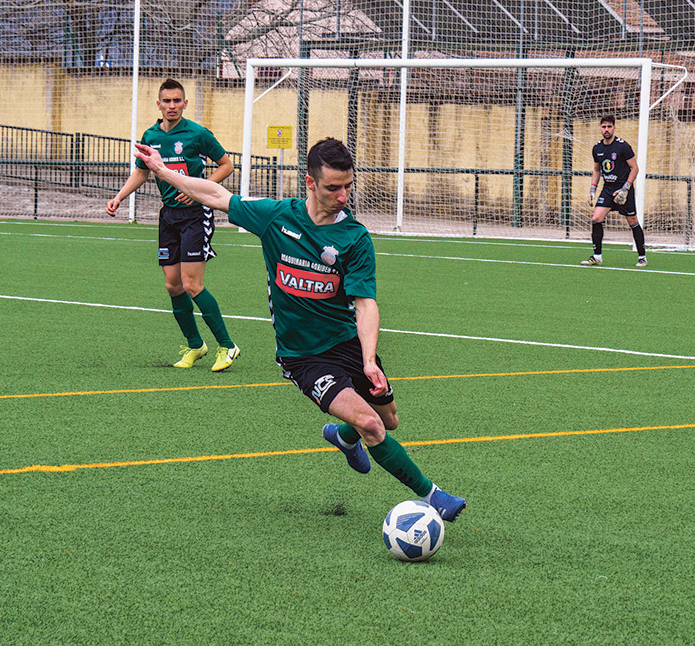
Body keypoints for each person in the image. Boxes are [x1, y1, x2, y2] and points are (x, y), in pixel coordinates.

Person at [132, 136, 466, 522]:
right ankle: (434, 496)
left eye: (347, 186)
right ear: (310, 183)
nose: (343, 196)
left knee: (389, 419)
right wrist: (160, 170)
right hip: (302, 356)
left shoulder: (354, 238)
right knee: (373, 424)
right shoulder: (277, 218)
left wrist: (370, 359)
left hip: (346, 345)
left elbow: (365, 303)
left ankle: (342, 437)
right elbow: (214, 194)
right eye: (333, 187)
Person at [106, 78, 240, 371]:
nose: (172, 106)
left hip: (196, 215)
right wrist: (119, 197)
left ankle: (228, 346)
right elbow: (142, 173)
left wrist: (199, 189)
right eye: (166, 101)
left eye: (177, 101)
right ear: (158, 104)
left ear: (185, 103)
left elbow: (227, 165)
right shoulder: (151, 135)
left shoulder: (197, 134)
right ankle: (195, 345)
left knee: (193, 284)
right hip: (168, 216)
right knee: (173, 285)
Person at [581, 114, 648, 268]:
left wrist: (626, 188)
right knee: (596, 218)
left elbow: (635, 168)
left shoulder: (622, 146)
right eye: (604, 126)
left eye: (609, 126)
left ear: (614, 128)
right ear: (600, 128)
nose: (606, 129)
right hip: (607, 190)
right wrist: (592, 189)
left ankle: (642, 256)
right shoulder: (597, 148)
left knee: (632, 221)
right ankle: (597, 257)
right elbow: (597, 170)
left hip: (623, 190)